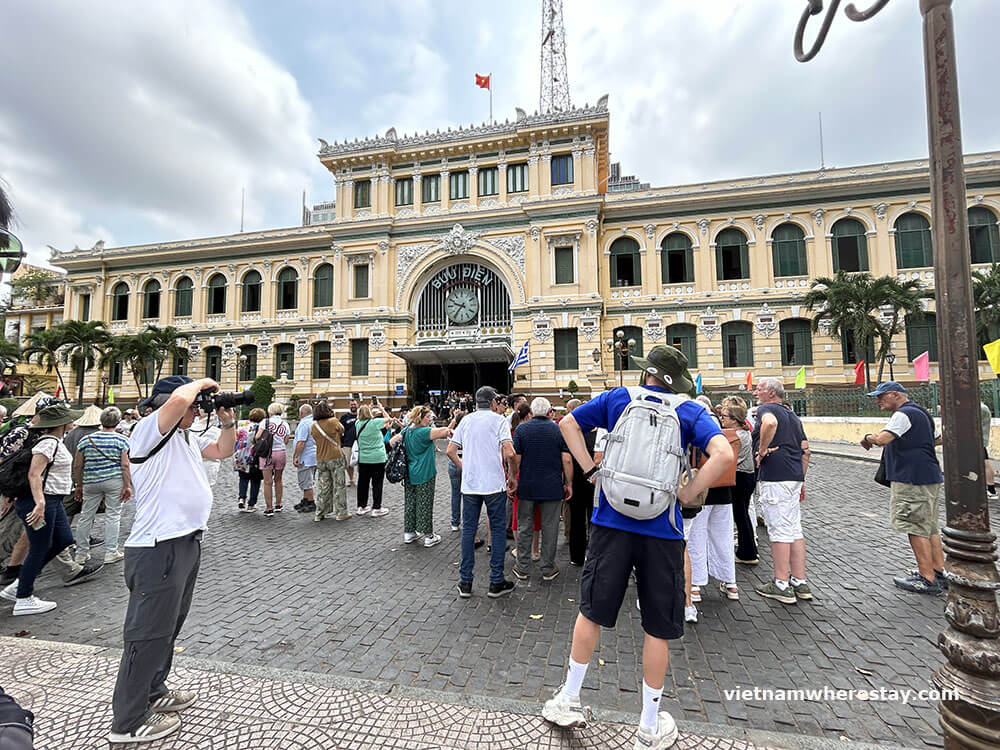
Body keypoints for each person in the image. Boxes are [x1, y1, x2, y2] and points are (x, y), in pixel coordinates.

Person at [544, 345, 731, 748]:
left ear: (647, 372)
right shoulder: (689, 410)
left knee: (591, 611)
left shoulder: (619, 398)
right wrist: (688, 492)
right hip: (662, 530)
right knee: (656, 627)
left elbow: (568, 424)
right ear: (675, 380)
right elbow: (724, 454)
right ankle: (648, 723)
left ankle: (570, 698)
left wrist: (592, 471)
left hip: (611, 521)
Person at [108, 375, 236, 745]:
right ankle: (128, 721)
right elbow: (178, 401)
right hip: (156, 547)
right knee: (146, 634)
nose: (197, 411)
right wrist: (201, 384)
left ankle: (154, 689)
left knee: (168, 628)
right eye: (194, 407)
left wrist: (226, 420)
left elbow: (224, 451)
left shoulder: (184, 439)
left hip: (185, 542)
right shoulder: (148, 430)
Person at [0, 404, 106, 616]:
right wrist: (40, 503)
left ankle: (21, 585)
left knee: (63, 539)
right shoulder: (48, 443)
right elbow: (34, 474)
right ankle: (24, 596)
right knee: (40, 546)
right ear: (60, 423)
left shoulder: (54, 441)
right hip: (42, 501)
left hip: (52, 500)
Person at [860, 381, 945, 593]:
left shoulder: (903, 415)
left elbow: (883, 439)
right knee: (930, 527)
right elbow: (938, 439)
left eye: (881, 396)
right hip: (929, 474)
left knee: (914, 526)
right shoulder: (922, 413)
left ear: (895, 395)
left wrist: (867, 438)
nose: (878, 401)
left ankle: (927, 578)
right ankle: (939, 571)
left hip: (911, 477)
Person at [448, 386, 516, 599]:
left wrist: (465, 467)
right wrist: (512, 474)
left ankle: (465, 582)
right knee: (496, 531)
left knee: (469, 530)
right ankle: (496, 581)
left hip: (470, 484)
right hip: (494, 484)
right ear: (494, 402)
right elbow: (510, 451)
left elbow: (451, 450)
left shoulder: (466, 420)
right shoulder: (499, 421)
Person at [752, 377, 812, 605]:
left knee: (778, 530)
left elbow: (769, 424)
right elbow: (806, 451)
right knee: (794, 529)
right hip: (793, 475)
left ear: (771, 393)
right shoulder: (793, 416)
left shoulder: (767, 409)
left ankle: (780, 583)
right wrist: (801, 480)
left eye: (759, 389)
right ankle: (799, 580)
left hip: (775, 476)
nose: (756, 392)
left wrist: (762, 450)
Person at [510, 397, 572, 582]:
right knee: (550, 528)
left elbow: (515, 459)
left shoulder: (521, 429)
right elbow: (567, 460)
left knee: (525, 526)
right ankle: (547, 567)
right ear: (548, 411)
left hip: (527, 486)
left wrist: (513, 478)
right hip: (552, 487)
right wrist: (569, 483)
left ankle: (522, 567)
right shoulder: (557, 429)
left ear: (531, 412)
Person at [687, 396, 739, 604]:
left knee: (696, 537)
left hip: (703, 490)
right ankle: (730, 583)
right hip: (724, 489)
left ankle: (696, 585)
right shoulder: (721, 429)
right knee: (723, 537)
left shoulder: (697, 428)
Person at [72, 407, 132, 564]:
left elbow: (78, 465)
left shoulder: (86, 440)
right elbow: (125, 465)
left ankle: (81, 553)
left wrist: (78, 484)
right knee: (113, 515)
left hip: (90, 481)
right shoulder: (122, 440)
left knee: (86, 516)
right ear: (118, 421)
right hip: (114, 480)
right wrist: (127, 485)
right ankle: (111, 551)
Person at [392, 405, 451, 547]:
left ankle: (409, 532)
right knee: (425, 503)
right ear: (420, 417)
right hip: (425, 472)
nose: (429, 419)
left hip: (409, 472)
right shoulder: (424, 432)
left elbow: (392, 441)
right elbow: (445, 431)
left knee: (410, 502)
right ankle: (428, 536)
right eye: (427, 417)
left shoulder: (407, 430)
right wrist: (453, 421)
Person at [723, 402, 758, 566]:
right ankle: (748, 550)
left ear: (734, 420)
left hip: (741, 477)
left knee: (741, 515)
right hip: (746, 477)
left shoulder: (738, 436)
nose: (722, 419)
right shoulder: (743, 432)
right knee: (742, 515)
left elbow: (732, 460)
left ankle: (747, 552)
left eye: (725, 417)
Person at [565, 399, 596, 567]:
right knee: (594, 520)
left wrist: (567, 481)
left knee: (577, 520)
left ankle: (576, 557)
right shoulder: (597, 435)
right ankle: (594, 555)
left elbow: (567, 460)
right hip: (593, 482)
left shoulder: (571, 436)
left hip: (576, 481)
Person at [311, 402, 347, 521]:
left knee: (323, 486)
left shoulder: (314, 426)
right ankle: (341, 512)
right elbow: (342, 430)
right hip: (335, 456)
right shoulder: (333, 421)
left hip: (321, 458)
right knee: (339, 485)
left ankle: (319, 513)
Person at [355, 402, 391, 517]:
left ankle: (361, 506)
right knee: (377, 483)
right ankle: (376, 508)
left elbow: (359, 416)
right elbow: (388, 419)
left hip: (364, 458)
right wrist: (380, 407)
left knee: (363, 483)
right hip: (378, 457)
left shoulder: (357, 424)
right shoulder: (375, 423)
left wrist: (368, 408)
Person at [256, 402, 291, 516]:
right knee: (278, 480)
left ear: (270, 411)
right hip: (280, 452)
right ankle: (278, 504)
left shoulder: (265, 422)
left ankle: (269, 507)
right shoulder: (285, 424)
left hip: (267, 454)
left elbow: (257, 437)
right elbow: (286, 440)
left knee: (267, 482)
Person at [234, 408, 265, 512]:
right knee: (255, 480)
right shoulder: (260, 428)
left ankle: (241, 498)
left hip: (240, 455)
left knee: (243, 478)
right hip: (253, 457)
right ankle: (251, 504)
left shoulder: (242, 426)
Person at [292, 404, 317, 515]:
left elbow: (301, 441)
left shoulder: (303, 424)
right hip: (313, 455)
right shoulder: (313, 422)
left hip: (306, 456)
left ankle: (311, 502)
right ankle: (306, 500)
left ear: (301, 413)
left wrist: (295, 456)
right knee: (308, 478)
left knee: (306, 480)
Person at [447, 410, 467, 532]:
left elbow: (447, 429)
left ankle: (455, 522)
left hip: (453, 464)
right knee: (467, 495)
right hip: (465, 463)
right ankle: (467, 520)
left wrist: (454, 419)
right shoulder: (469, 432)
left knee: (455, 494)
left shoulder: (453, 432)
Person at [340, 399, 359, 486]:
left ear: (357, 405)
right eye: (351, 405)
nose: (353, 406)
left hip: (360, 442)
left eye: (354, 404)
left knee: (361, 462)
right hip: (348, 443)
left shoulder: (361, 415)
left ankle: (361, 479)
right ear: (349, 406)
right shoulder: (344, 417)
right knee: (348, 463)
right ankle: (351, 479)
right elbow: (339, 430)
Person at [982, 400, 995, 497]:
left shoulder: (981, 408)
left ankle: (991, 490)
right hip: (980, 440)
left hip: (978, 441)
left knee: (985, 464)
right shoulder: (983, 407)